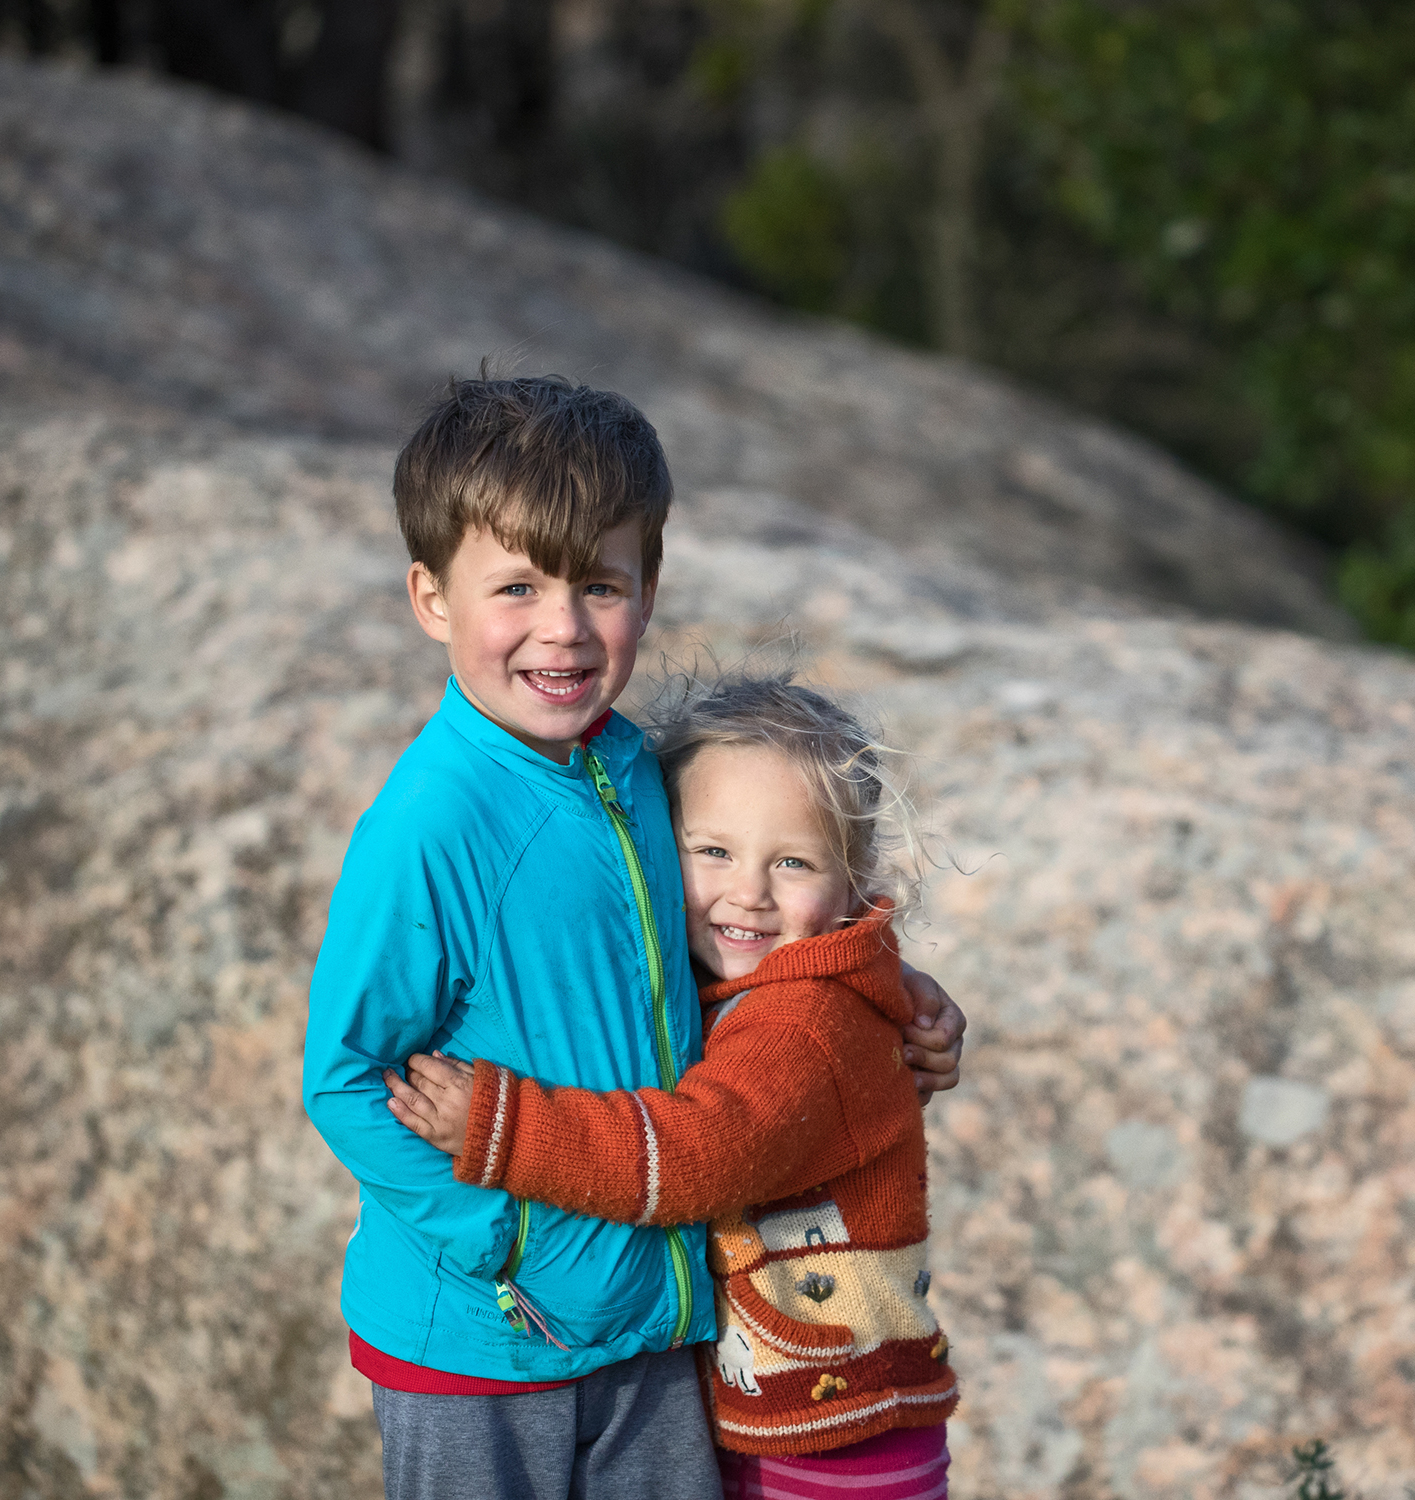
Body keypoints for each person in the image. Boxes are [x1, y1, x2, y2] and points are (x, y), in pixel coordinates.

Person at [301, 374, 963, 1500]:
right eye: (514, 587)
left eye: (599, 586)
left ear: (649, 590)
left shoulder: (634, 773)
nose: (561, 629)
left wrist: (895, 991)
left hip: (658, 1323)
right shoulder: (428, 826)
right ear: (430, 598)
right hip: (486, 1346)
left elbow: (741, 937)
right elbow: (347, 1081)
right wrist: (505, 1249)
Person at [387, 673, 959, 1500]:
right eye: (713, 851)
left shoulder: (806, 1024)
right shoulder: (755, 988)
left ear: (853, 887)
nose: (749, 892)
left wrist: (503, 1127)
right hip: (796, 1422)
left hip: (834, 1450)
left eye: (792, 862)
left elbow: (698, 1155)